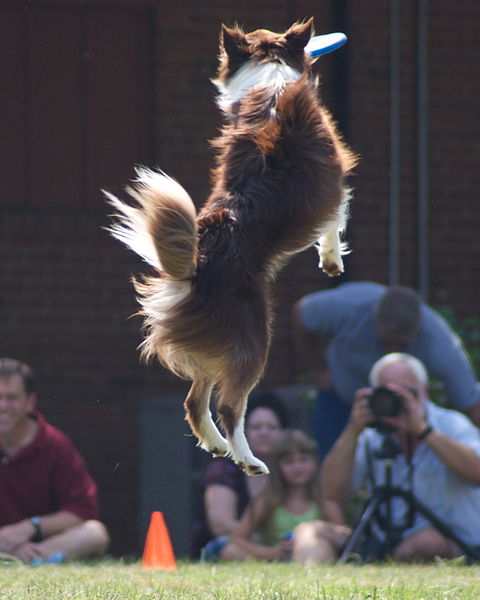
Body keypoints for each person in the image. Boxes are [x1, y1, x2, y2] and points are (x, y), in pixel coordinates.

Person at [321, 352, 480, 562]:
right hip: (384, 541)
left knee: (423, 542)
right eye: (388, 392)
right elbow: (331, 491)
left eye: (406, 391)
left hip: (455, 542)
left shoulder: (451, 424)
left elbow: (476, 472)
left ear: (424, 391)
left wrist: (423, 430)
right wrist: (353, 430)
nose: (398, 400)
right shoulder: (371, 437)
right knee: (311, 532)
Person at [292, 281, 480, 456]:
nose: (390, 353)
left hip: (403, 416)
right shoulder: (348, 307)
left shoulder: (438, 340)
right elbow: (300, 313)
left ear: (416, 331)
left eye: (401, 346)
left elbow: (471, 403)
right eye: (386, 343)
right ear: (375, 321)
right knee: (332, 465)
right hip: (339, 403)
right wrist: (320, 370)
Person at [0, 358, 110, 564]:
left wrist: (28, 528)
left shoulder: (54, 444)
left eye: (12, 398)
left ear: (30, 402)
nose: (3, 406)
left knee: (95, 532)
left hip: (41, 544)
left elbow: (83, 511)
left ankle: (27, 559)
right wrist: (7, 540)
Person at [220, 429, 351, 564]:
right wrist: (272, 553)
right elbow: (237, 538)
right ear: (277, 467)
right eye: (289, 462)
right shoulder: (267, 499)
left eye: (304, 460)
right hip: (279, 559)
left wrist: (313, 530)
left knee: (311, 536)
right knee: (231, 551)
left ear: (315, 462)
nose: (297, 467)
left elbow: (341, 536)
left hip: (315, 553)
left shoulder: (323, 498)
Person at [189, 390, 289, 559]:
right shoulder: (224, 469)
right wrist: (267, 544)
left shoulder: (290, 467)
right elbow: (221, 526)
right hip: (228, 547)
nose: (264, 433)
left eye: (272, 427)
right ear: (242, 431)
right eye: (256, 427)